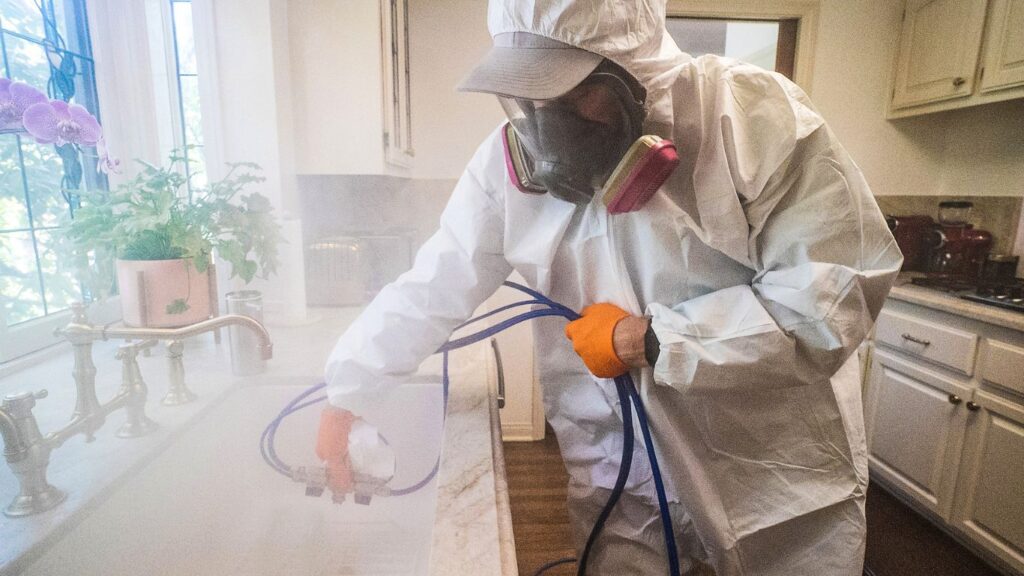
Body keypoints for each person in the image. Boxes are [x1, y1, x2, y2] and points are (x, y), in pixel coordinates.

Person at [318, 1, 902, 575]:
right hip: (621, 472)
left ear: (634, 75)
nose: (547, 121)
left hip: (769, 478)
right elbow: (434, 284)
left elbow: (830, 298)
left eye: (574, 95)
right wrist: (349, 388)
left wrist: (646, 340)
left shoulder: (747, 118)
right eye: (530, 93)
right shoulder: (504, 166)